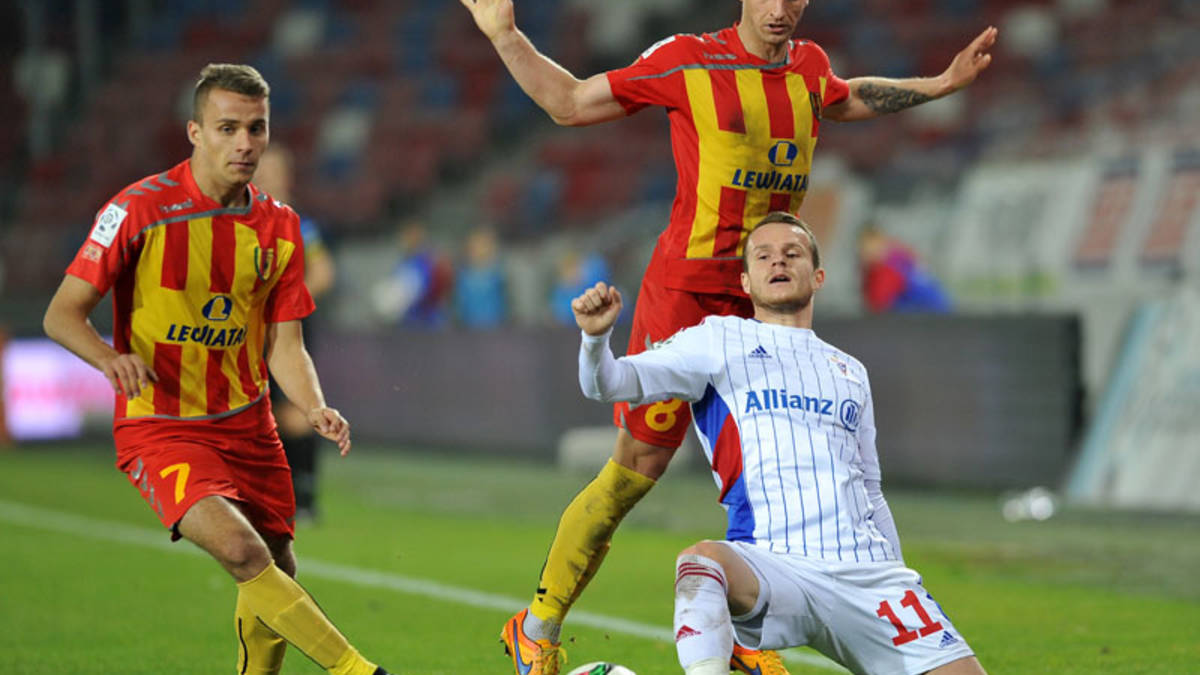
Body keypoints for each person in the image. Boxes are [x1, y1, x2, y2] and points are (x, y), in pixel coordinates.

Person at [459, 0, 998, 672]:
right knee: (639, 466)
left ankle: (746, 637)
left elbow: (846, 97)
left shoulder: (808, 67)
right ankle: (536, 626)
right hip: (684, 298)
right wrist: (506, 35)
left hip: (761, 299)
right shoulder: (687, 60)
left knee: (766, 461)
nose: (779, 9)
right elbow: (569, 103)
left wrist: (941, 84)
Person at [41, 63, 390, 675]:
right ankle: (361, 671)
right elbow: (61, 314)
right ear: (195, 132)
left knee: (277, 567)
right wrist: (110, 358)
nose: (245, 143)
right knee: (240, 550)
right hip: (162, 425)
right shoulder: (138, 210)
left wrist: (313, 406)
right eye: (228, 128)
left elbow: (285, 344)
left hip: (249, 425)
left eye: (257, 128)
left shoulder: (281, 227)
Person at [571, 212, 987, 675]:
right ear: (746, 282)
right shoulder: (715, 340)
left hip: (870, 577)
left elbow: (870, 487)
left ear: (818, 275)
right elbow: (608, 383)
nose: (778, 262)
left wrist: (899, 575)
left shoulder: (850, 371)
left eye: (792, 253)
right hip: (773, 565)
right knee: (702, 562)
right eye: (764, 256)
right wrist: (596, 339)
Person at [253, 143, 337, 521]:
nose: (265, 177)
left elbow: (323, 274)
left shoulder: (302, 227)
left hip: (287, 329)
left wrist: (285, 301)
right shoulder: (236, 221)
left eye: (273, 171)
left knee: (295, 411)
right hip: (243, 331)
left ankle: (303, 495)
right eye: (260, 170)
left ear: (287, 178)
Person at [857, 226, 951, 313]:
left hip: (925, 312)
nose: (865, 254)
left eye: (869, 249)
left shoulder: (891, 268)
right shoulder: (896, 263)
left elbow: (878, 302)